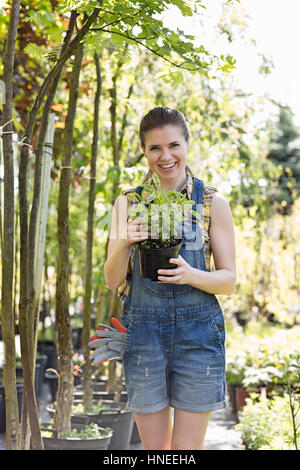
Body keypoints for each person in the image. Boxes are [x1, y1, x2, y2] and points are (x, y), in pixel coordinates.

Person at [103, 106, 236, 450]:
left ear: (187, 145)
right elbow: (111, 280)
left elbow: (229, 281)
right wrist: (124, 242)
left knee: (186, 452)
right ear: (144, 151)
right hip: (144, 333)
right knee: (156, 452)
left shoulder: (212, 202)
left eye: (173, 145)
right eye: (155, 148)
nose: (165, 156)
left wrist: (192, 275)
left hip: (198, 335)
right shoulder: (128, 203)